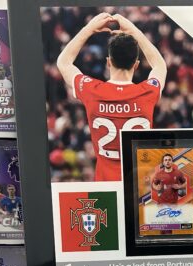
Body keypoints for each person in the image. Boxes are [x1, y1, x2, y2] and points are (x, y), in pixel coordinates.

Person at [57, 13, 167, 182]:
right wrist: (134, 31)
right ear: (136, 65)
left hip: (105, 187)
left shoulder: (91, 90)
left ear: (108, 62)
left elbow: (63, 62)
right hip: (138, 188)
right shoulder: (148, 92)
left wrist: (89, 29)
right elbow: (159, 65)